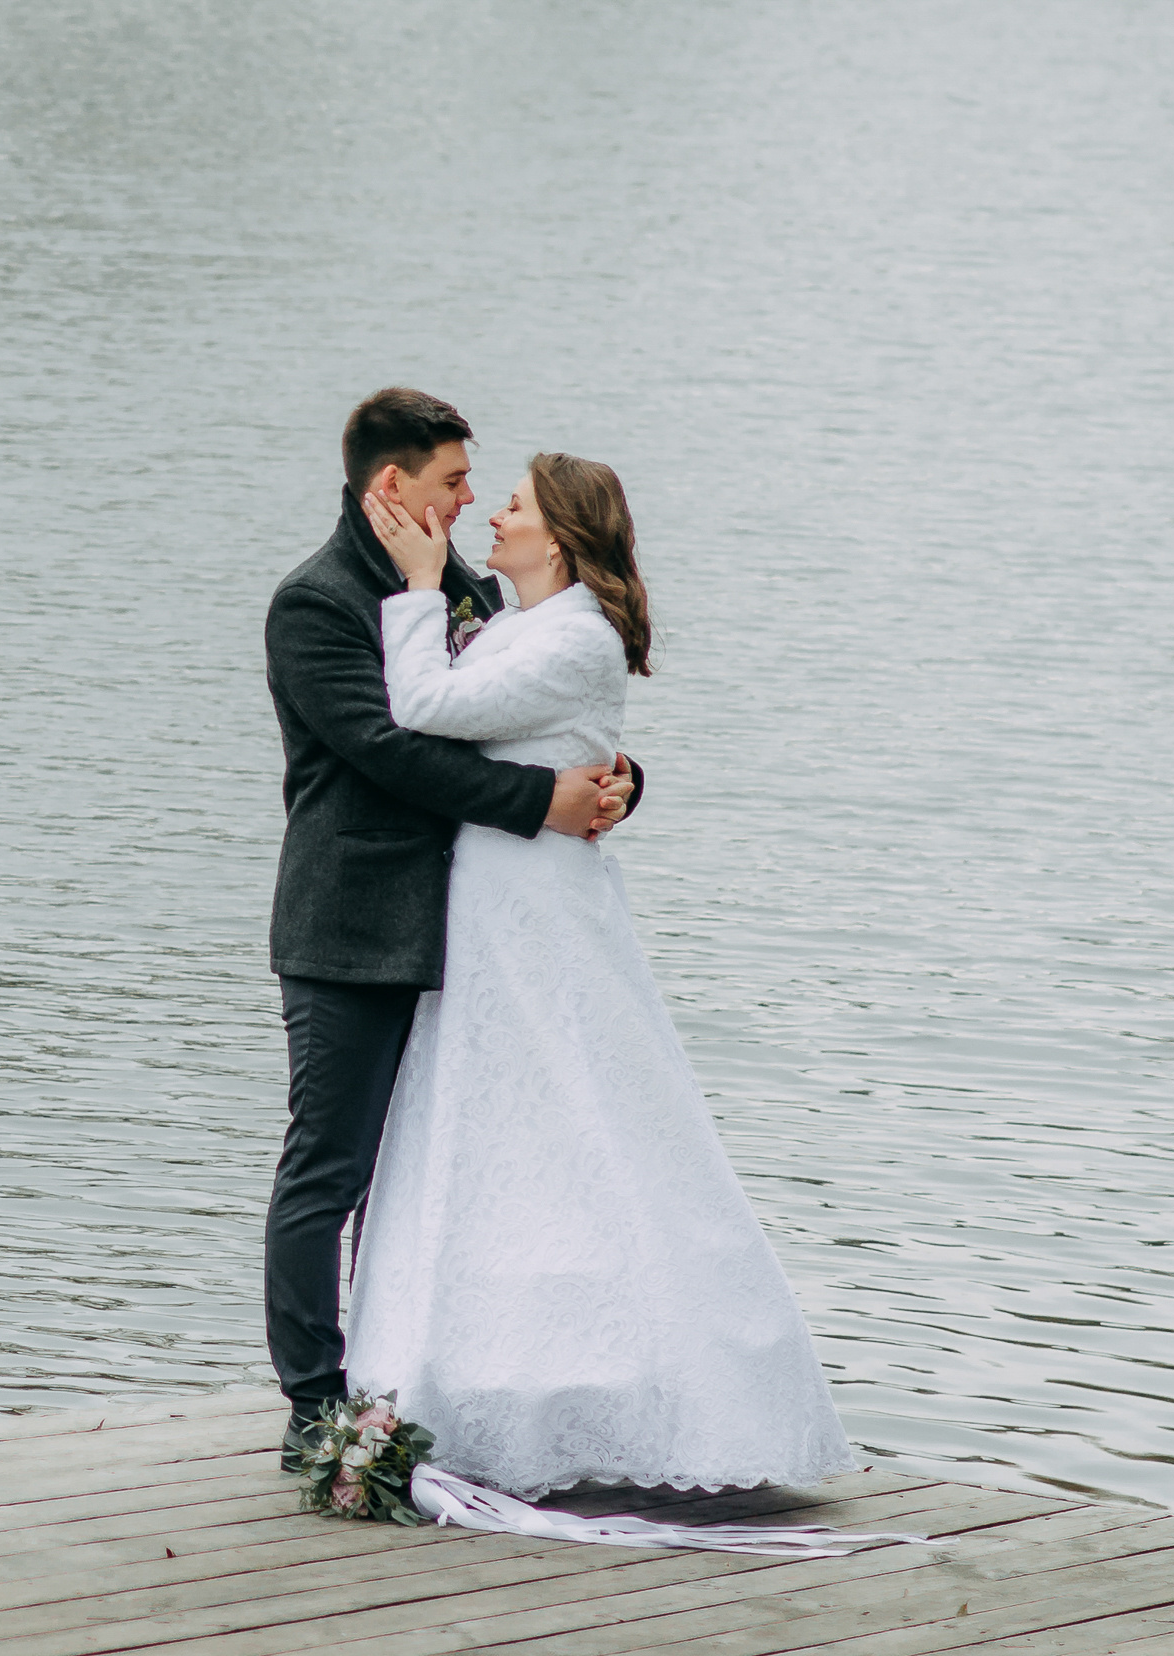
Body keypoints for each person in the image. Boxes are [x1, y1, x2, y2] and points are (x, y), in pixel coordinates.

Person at [341, 452, 854, 1496]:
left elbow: (426, 706)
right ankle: (489, 1375)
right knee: (495, 1129)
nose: (491, 512)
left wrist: (419, 592)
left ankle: (646, 1394)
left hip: (534, 913)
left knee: (574, 1117)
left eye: (515, 504)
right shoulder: (525, 620)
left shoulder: (574, 635)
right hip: (489, 902)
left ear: (561, 538)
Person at [261, 389, 636, 1469]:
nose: (471, 500)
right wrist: (541, 805)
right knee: (328, 1169)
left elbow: (524, 699)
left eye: (479, 484)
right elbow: (394, 751)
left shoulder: (458, 587)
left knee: (428, 1167)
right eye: (453, 480)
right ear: (392, 485)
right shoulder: (315, 603)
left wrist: (612, 782)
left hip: (473, 933)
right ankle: (316, 1408)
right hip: (354, 926)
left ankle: (416, 1378)